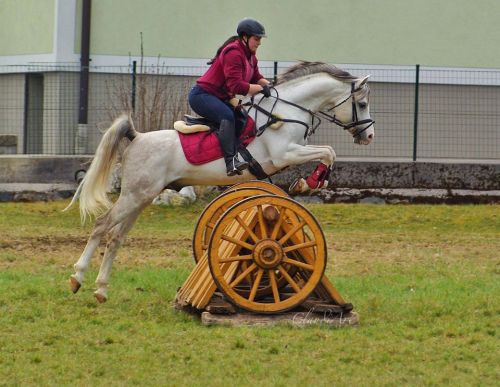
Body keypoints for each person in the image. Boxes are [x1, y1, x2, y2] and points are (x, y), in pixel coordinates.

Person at [188, 18, 271, 176]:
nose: (259, 42)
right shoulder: (233, 52)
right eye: (257, 38)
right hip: (202, 95)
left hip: (218, 97)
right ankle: (230, 162)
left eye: (260, 39)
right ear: (245, 37)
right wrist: (261, 89)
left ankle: (233, 153)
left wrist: (273, 87)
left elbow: (257, 77)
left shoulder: (251, 57)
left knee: (241, 118)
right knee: (227, 116)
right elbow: (236, 86)